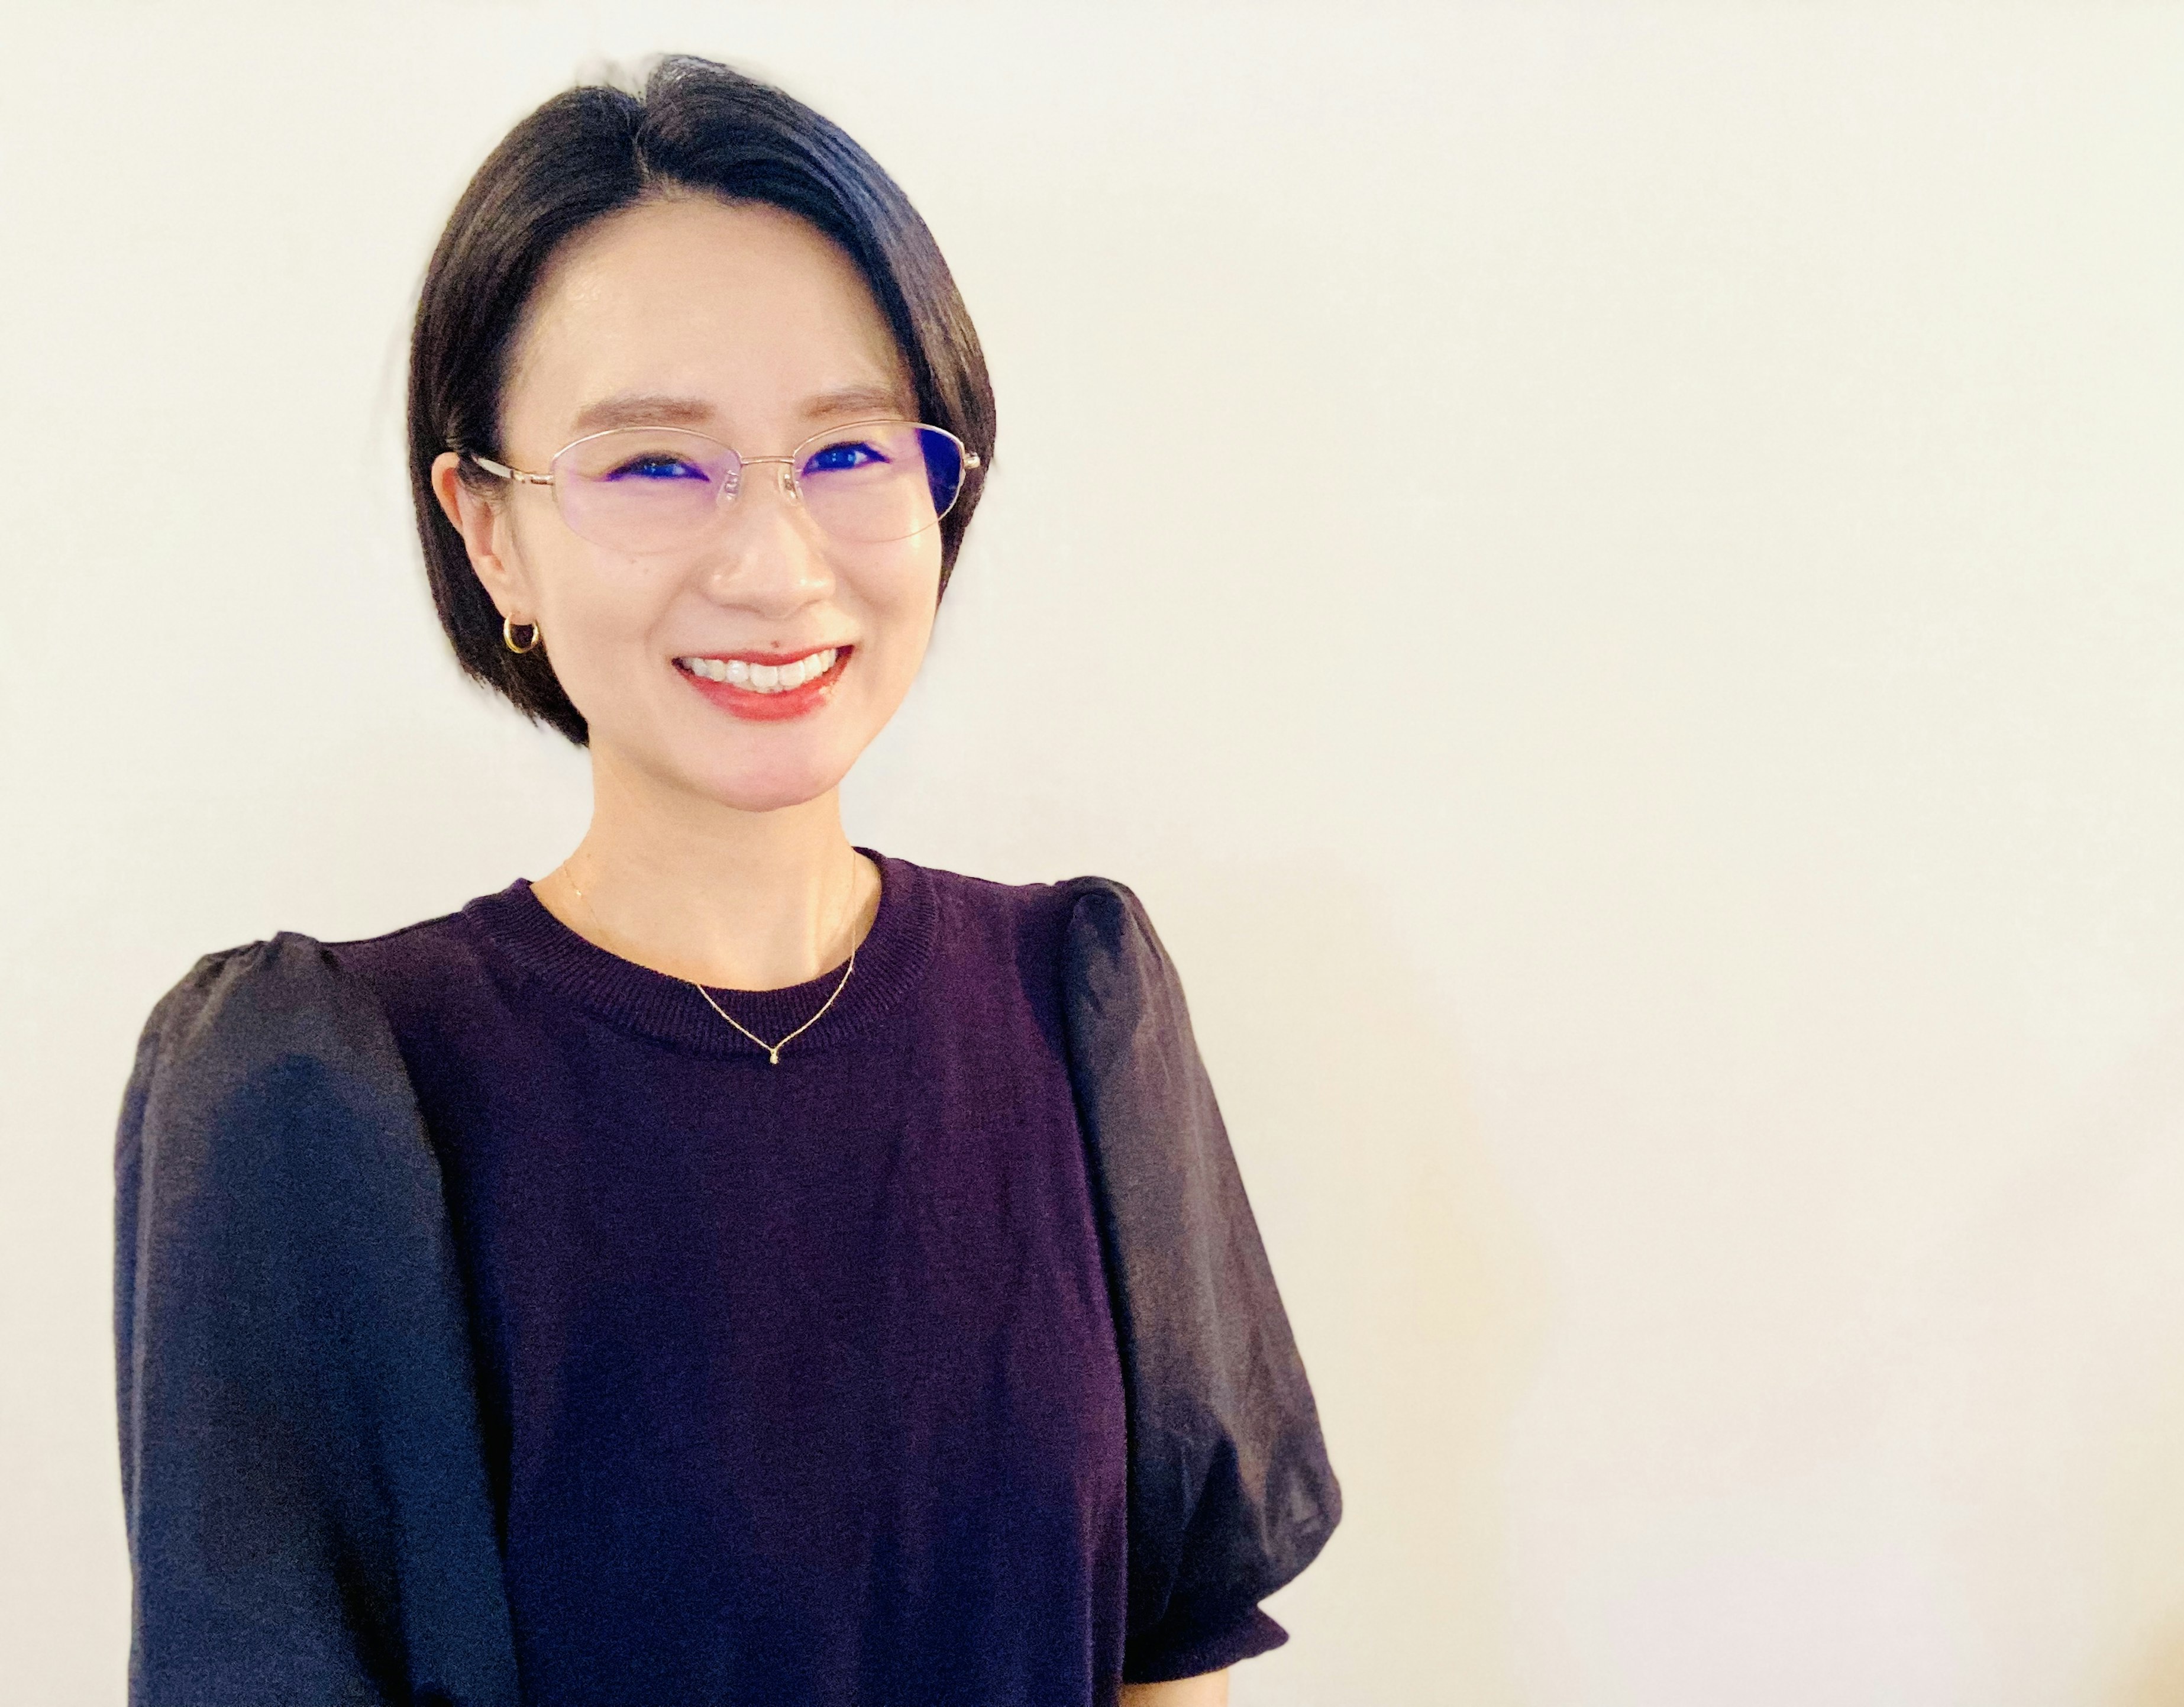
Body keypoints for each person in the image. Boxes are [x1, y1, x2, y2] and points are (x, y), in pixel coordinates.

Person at [111, 53, 1338, 1707]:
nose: (773, 565)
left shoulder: (1078, 1012)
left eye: (849, 456)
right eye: (653, 466)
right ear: (488, 531)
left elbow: (1171, 1653)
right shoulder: (316, 1091)